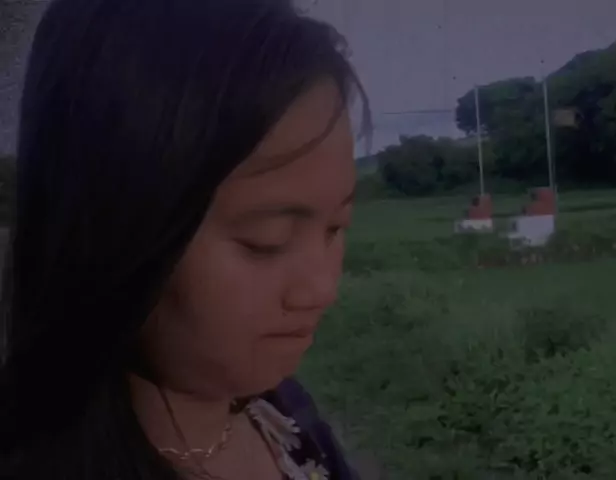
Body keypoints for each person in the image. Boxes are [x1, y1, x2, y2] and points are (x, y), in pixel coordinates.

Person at [0, 0, 370, 478]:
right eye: (267, 240)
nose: (322, 290)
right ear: (113, 232)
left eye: (336, 227)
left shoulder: (287, 412)